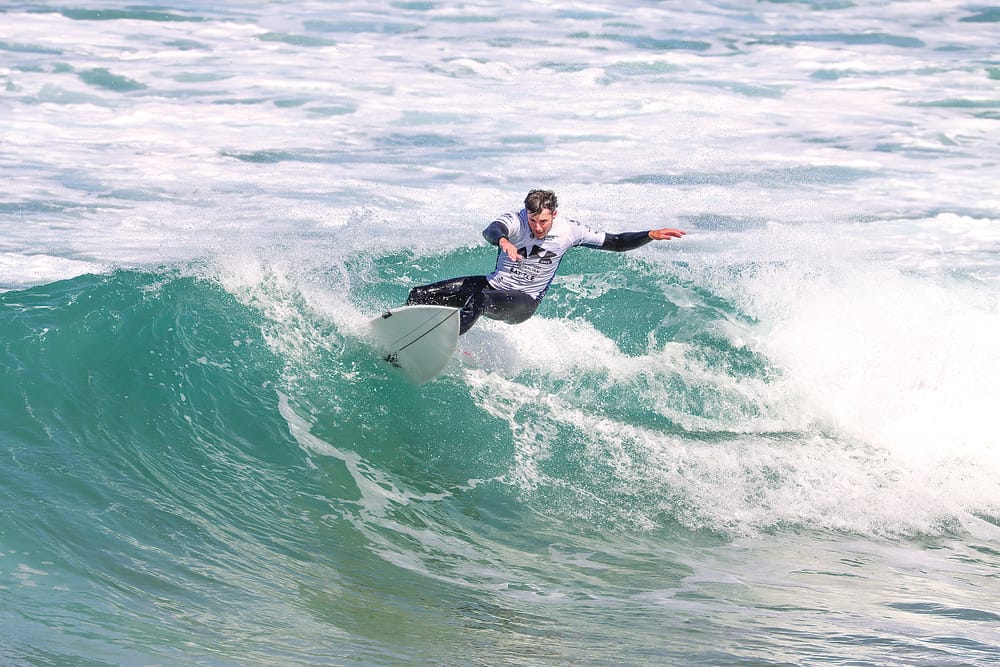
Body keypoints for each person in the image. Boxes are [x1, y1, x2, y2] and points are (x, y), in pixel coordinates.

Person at [406, 189, 686, 334]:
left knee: (477, 300)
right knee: (419, 294)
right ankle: (401, 335)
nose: (537, 227)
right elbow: (492, 230)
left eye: (542, 221)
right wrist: (503, 241)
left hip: (524, 301)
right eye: (533, 221)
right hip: (495, 285)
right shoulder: (516, 221)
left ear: (554, 214)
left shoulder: (568, 230)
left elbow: (615, 242)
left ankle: (444, 342)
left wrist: (648, 235)